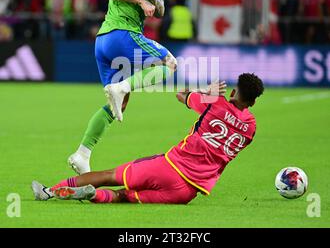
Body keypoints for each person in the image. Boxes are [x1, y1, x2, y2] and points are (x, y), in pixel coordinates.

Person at [32, 73, 264, 204]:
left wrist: (205, 91)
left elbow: (180, 95)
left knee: (109, 175)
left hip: (170, 167)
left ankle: (51, 191)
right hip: (186, 193)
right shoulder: (251, 128)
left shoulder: (215, 103)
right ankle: (94, 195)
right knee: (124, 197)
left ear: (234, 92)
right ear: (253, 102)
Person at [67, 0, 179, 175]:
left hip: (105, 42)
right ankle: (123, 87)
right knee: (170, 64)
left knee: (118, 103)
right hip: (121, 34)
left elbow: (159, 10)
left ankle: (82, 154)